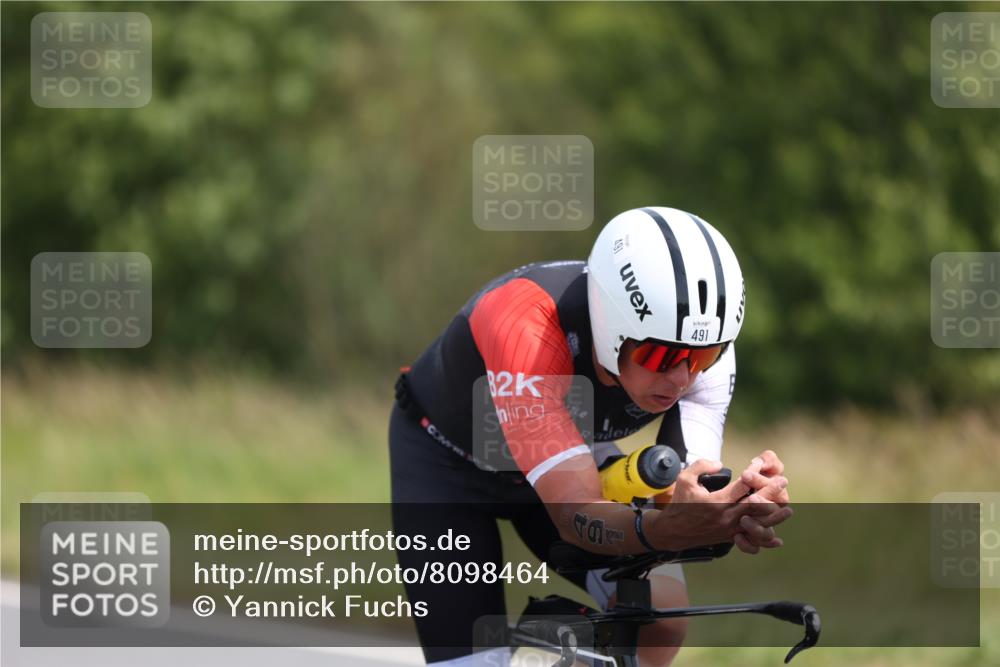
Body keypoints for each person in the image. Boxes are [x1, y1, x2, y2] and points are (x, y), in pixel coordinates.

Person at [389, 206, 792, 666]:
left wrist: (729, 509)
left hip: (570, 449)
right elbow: (575, 514)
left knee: (660, 624)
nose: (683, 377)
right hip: (448, 468)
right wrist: (666, 528)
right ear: (611, 325)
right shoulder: (524, 322)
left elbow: (683, 494)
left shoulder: (702, 345)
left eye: (702, 357)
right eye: (661, 355)